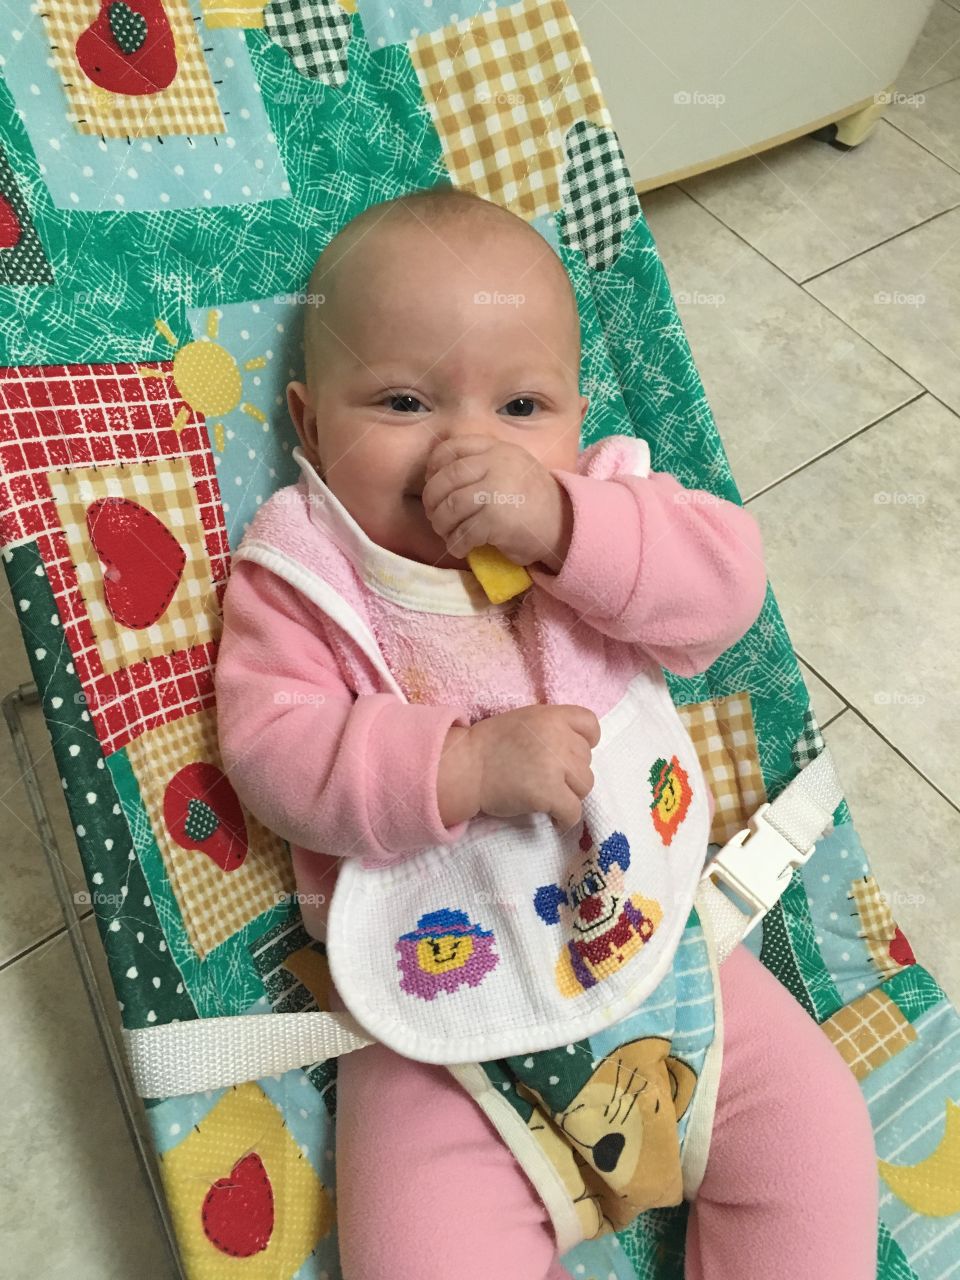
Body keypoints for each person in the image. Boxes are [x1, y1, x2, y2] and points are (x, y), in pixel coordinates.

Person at [214, 186, 878, 1279]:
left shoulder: (604, 507)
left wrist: (568, 523)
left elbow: (724, 588)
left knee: (816, 1138)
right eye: (403, 401)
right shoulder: (308, 574)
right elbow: (274, 750)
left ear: (577, 415)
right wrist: (459, 764)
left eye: (521, 407)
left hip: (665, 959)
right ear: (308, 424)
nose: (468, 448)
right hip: (440, 1042)